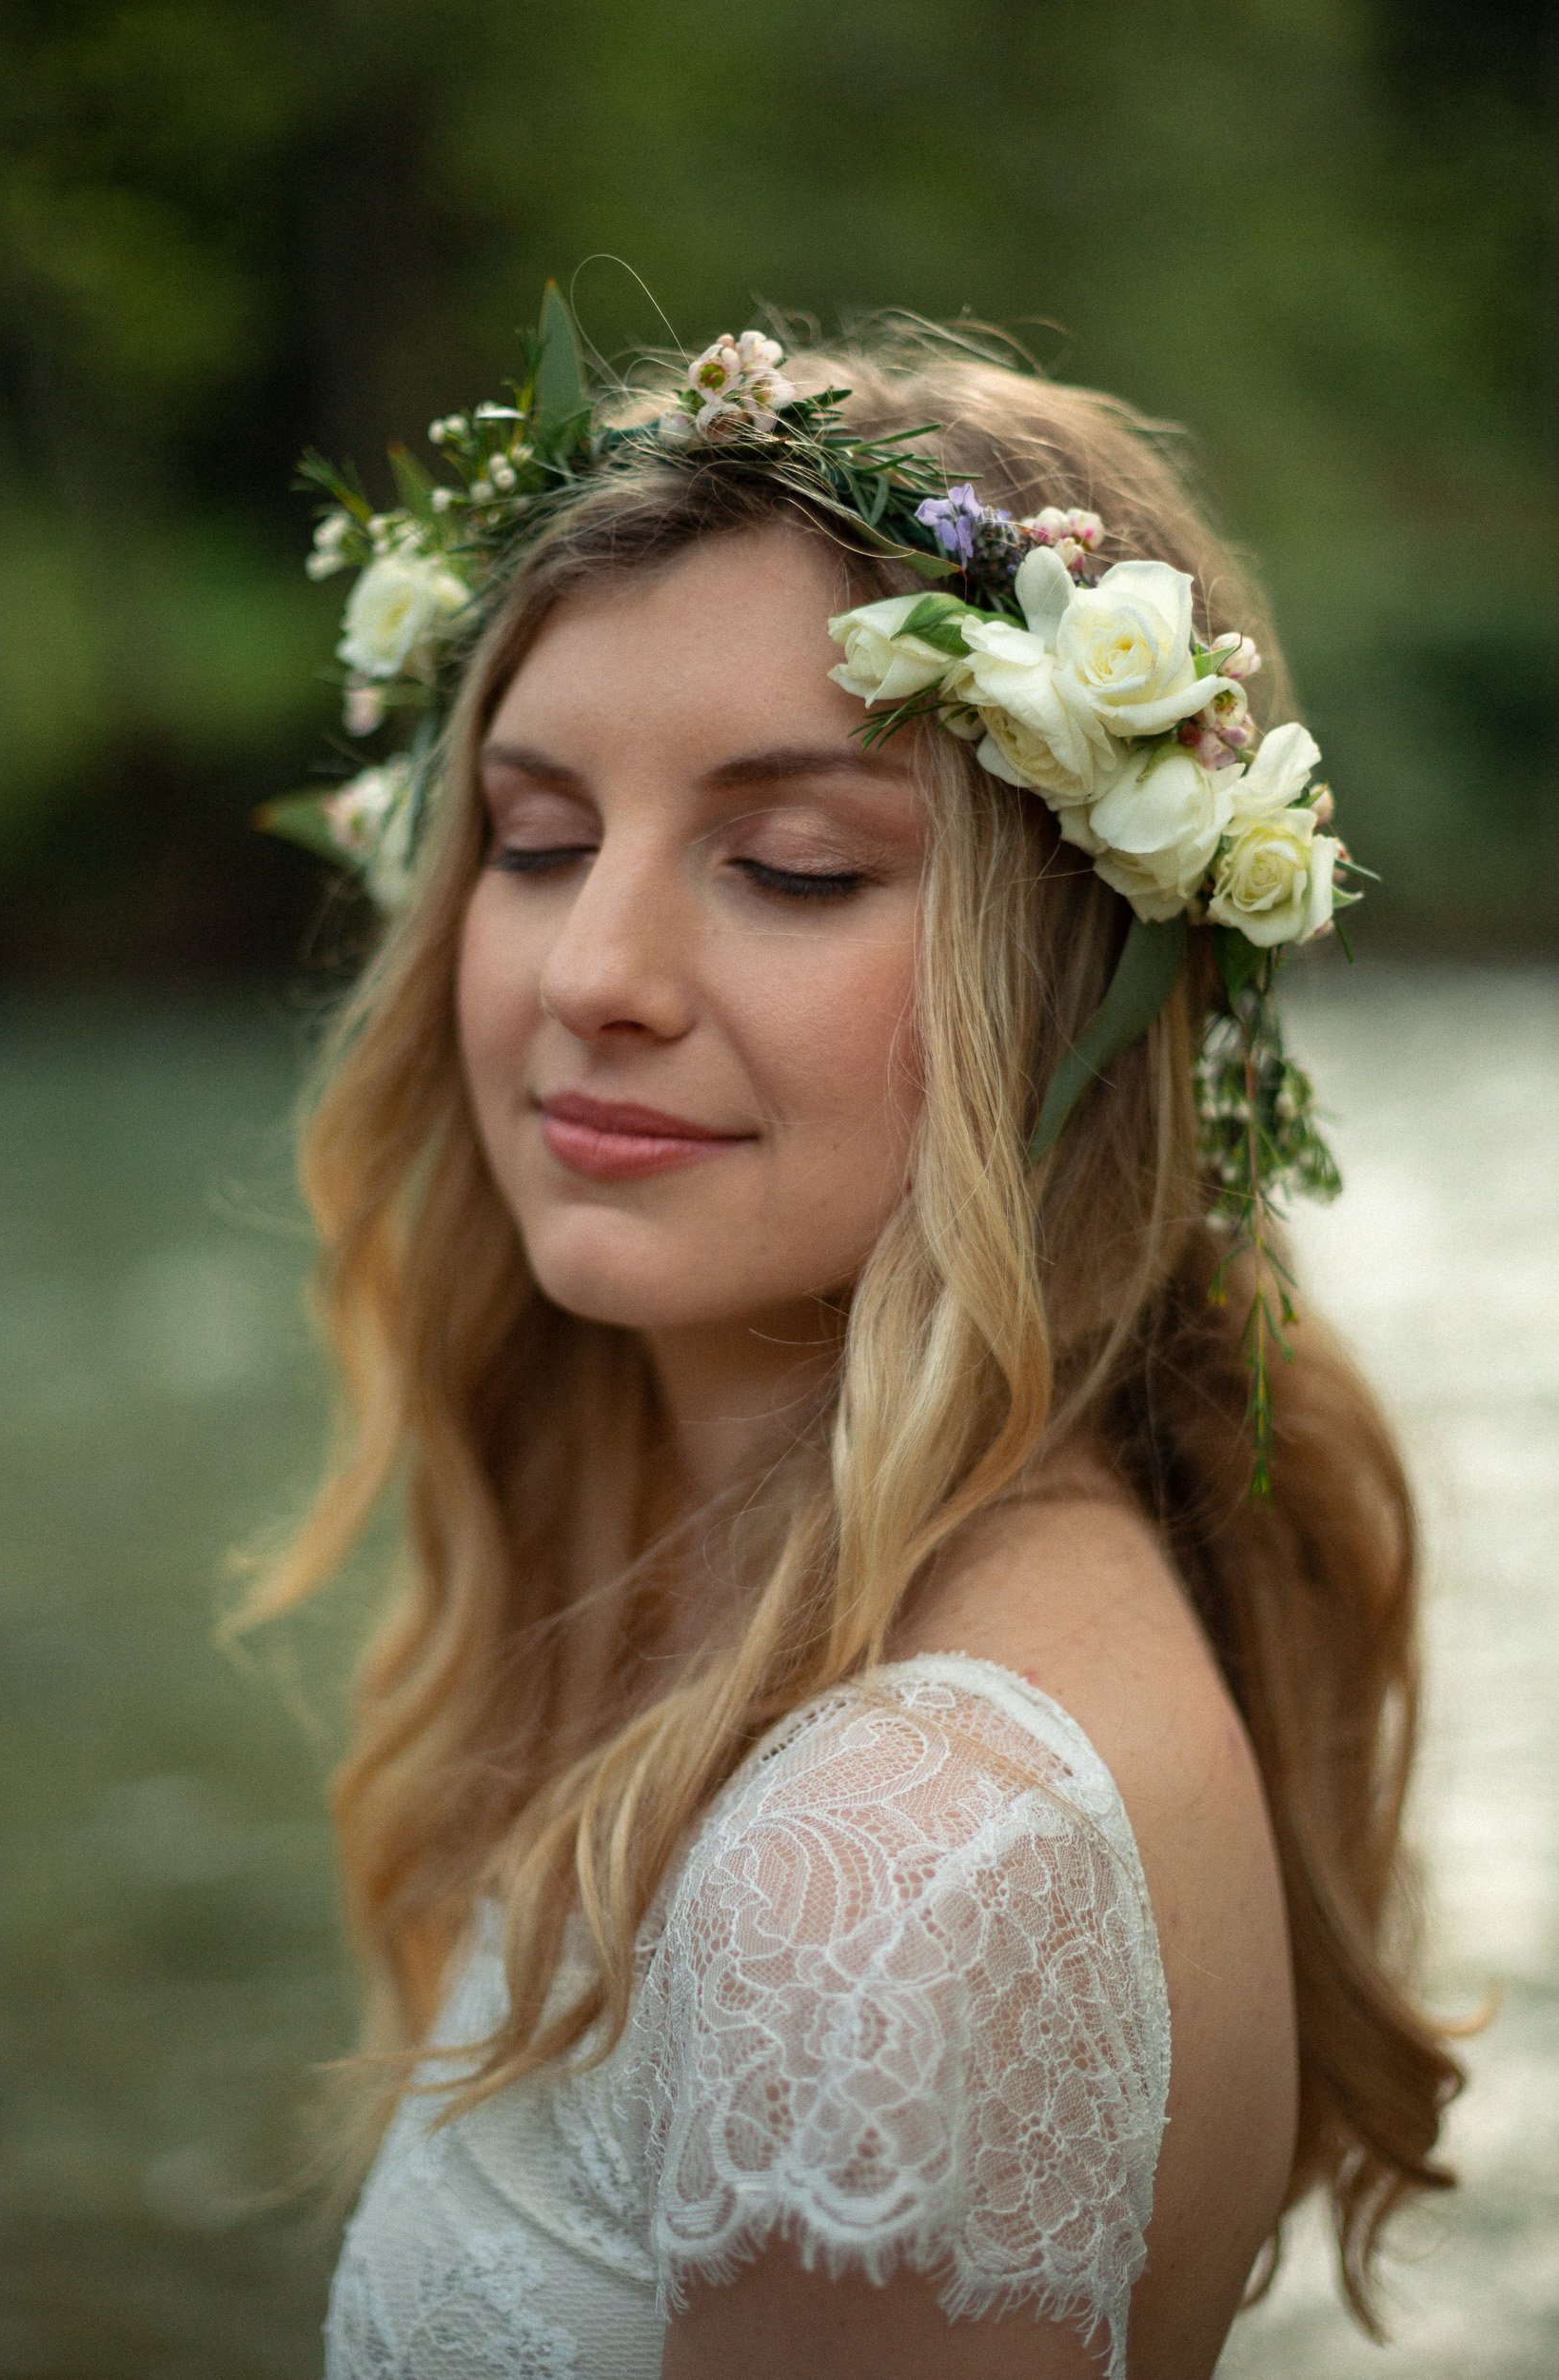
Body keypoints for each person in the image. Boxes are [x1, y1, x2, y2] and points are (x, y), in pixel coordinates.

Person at [254, 318, 1461, 2377]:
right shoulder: (778, 1630)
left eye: (790, 864)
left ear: (1061, 982)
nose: (595, 972)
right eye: (537, 841)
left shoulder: (900, 1864)